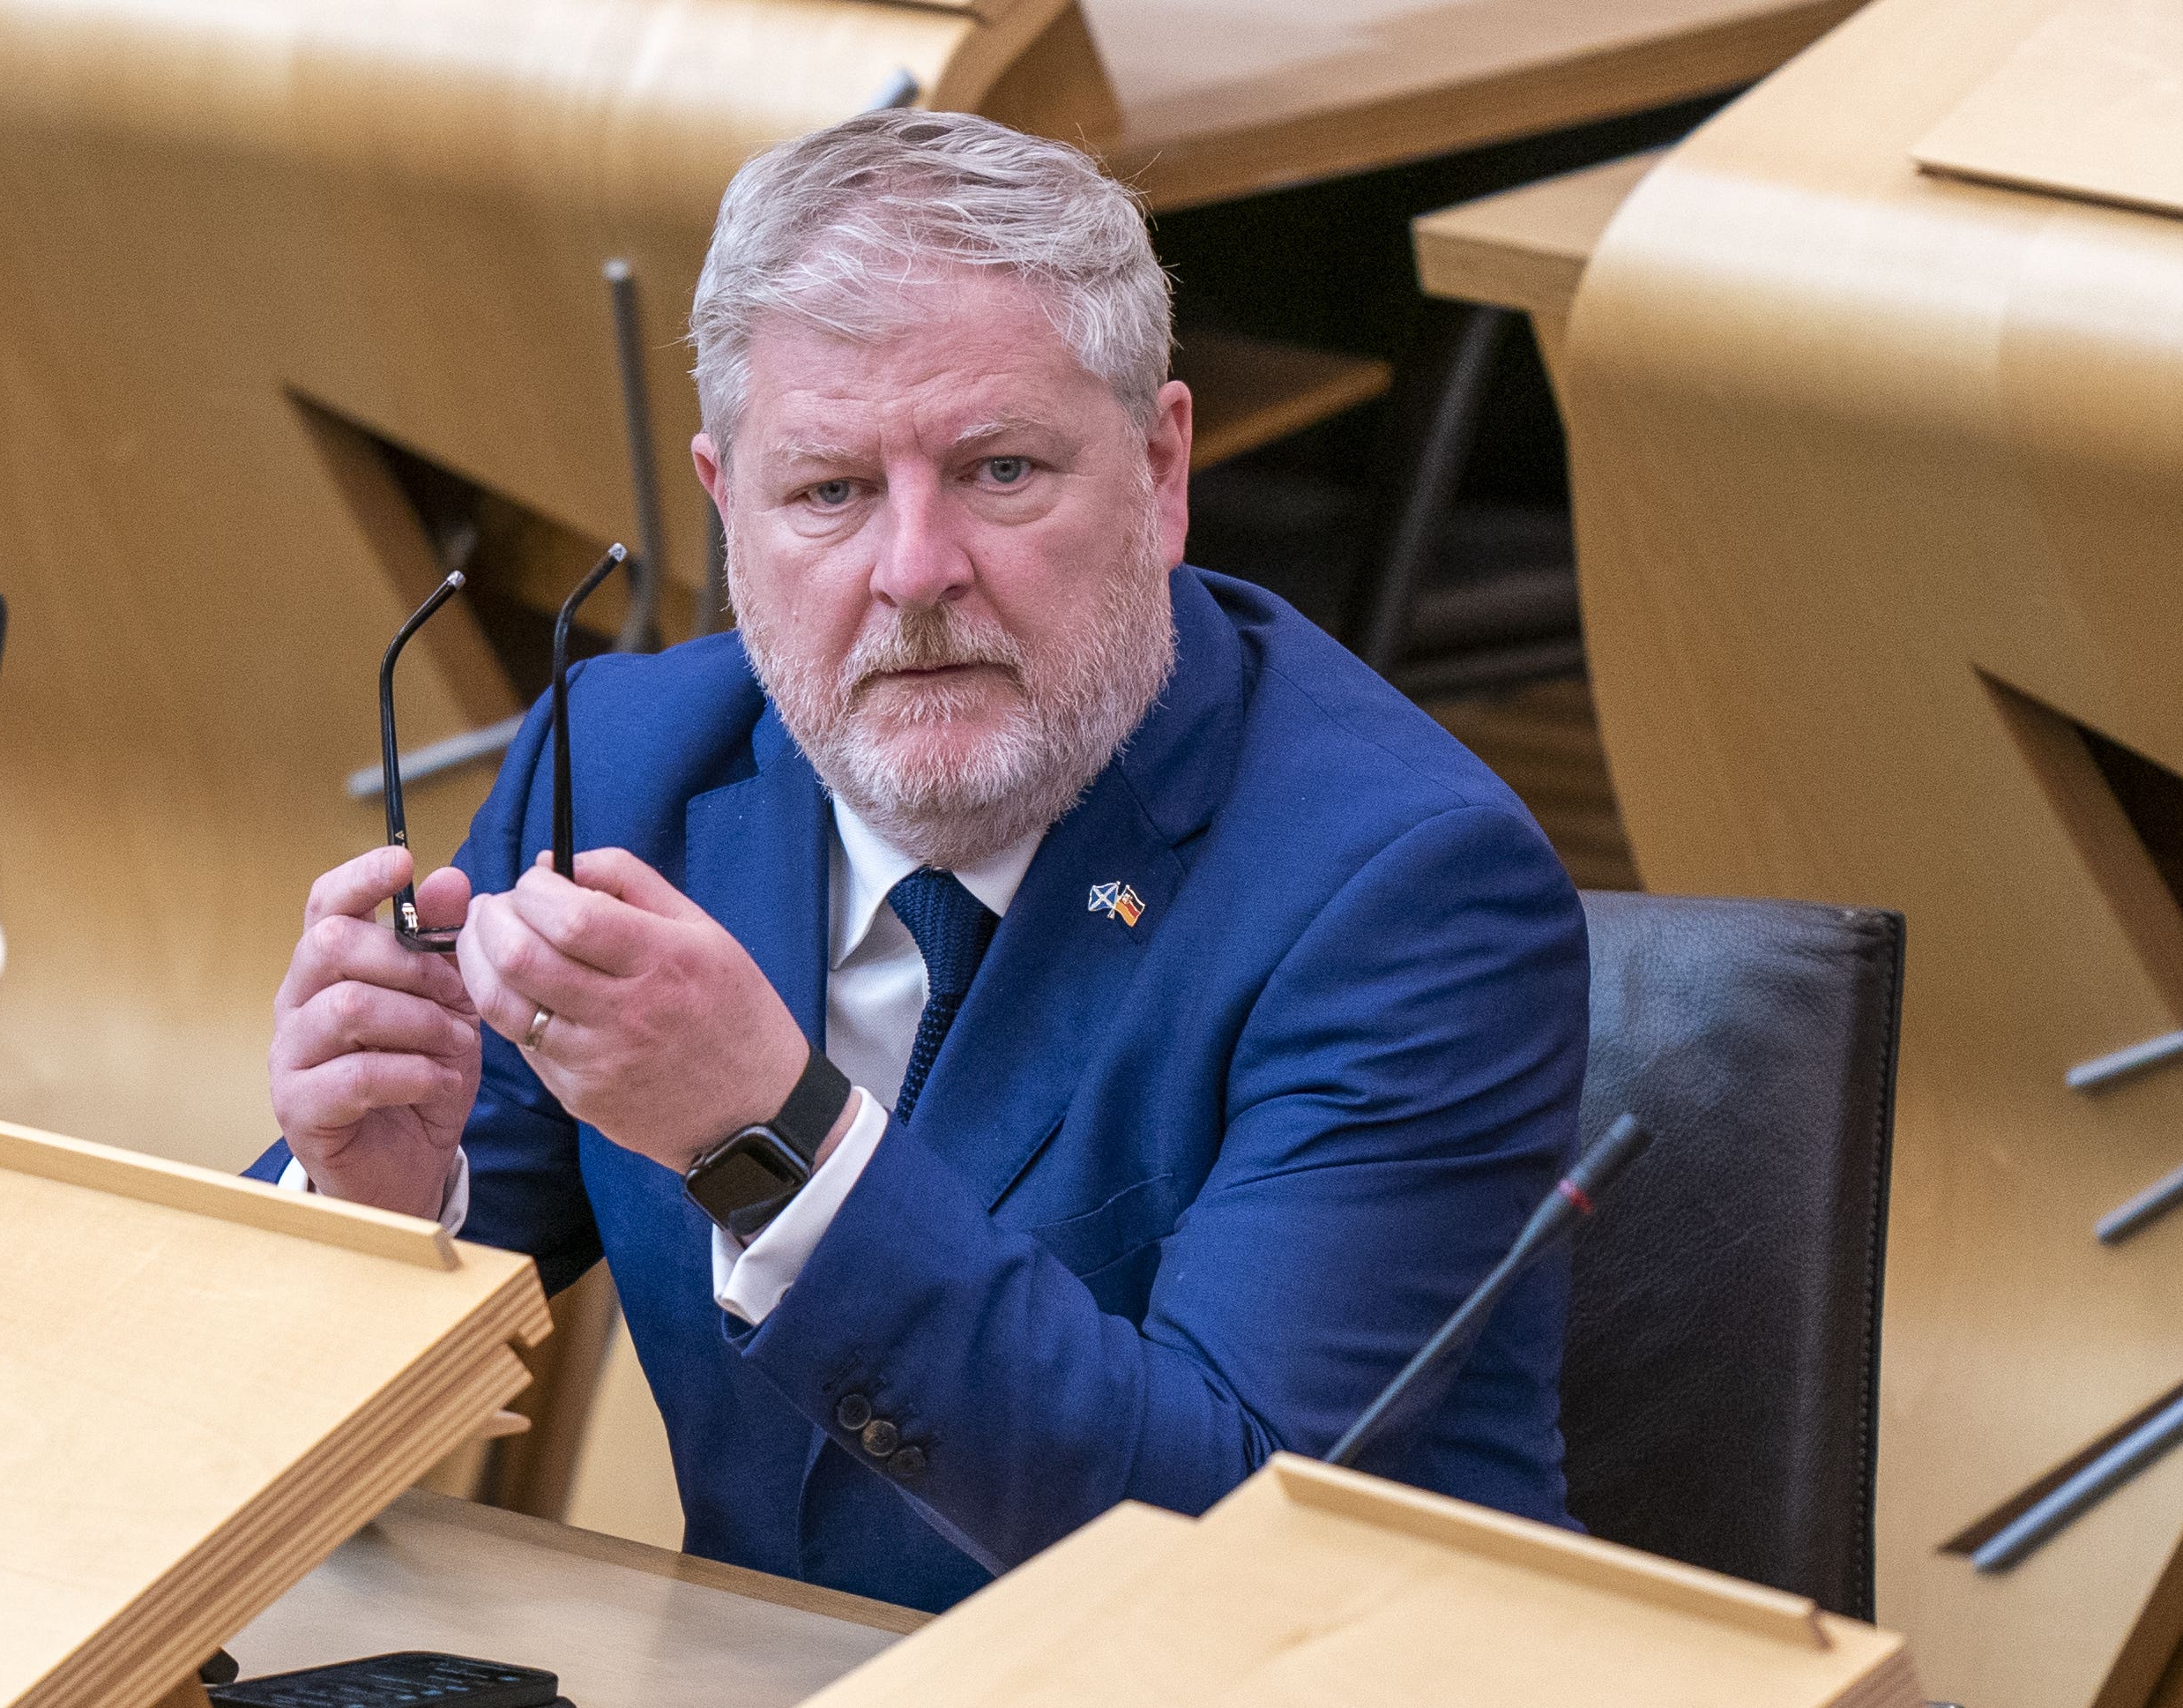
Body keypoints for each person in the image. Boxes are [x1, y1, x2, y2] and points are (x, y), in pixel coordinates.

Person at [252, 109, 1588, 1615]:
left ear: (1160, 471)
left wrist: (774, 1136)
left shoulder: (1407, 891)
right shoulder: (622, 769)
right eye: (826, 491)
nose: (912, 571)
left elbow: (1224, 1541)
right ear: (725, 512)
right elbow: (248, 1450)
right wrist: (363, 1200)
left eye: (999, 470)